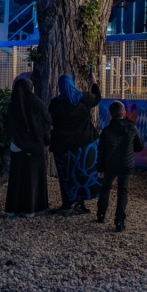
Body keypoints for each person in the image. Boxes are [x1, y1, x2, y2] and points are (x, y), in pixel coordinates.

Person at [49, 72, 101, 214]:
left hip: (63, 146)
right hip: (85, 143)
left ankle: (67, 202)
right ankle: (81, 202)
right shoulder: (84, 99)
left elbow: (51, 120)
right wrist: (93, 81)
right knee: (82, 173)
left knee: (66, 174)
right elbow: (97, 97)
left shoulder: (55, 103)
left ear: (60, 87)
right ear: (72, 84)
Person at [4, 78, 51, 217]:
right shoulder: (36, 103)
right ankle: (31, 209)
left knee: (16, 178)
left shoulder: (13, 105)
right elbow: (46, 121)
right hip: (35, 147)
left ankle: (13, 209)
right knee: (33, 177)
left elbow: (8, 127)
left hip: (16, 146)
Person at [96, 101, 143, 232]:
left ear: (110, 114)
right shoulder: (132, 127)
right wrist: (129, 148)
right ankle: (119, 221)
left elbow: (101, 152)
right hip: (126, 163)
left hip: (110, 164)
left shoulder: (106, 131)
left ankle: (101, 214)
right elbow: (140, 145)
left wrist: (100, 168)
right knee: (123, 191)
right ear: (124, 113)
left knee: (105, 188)